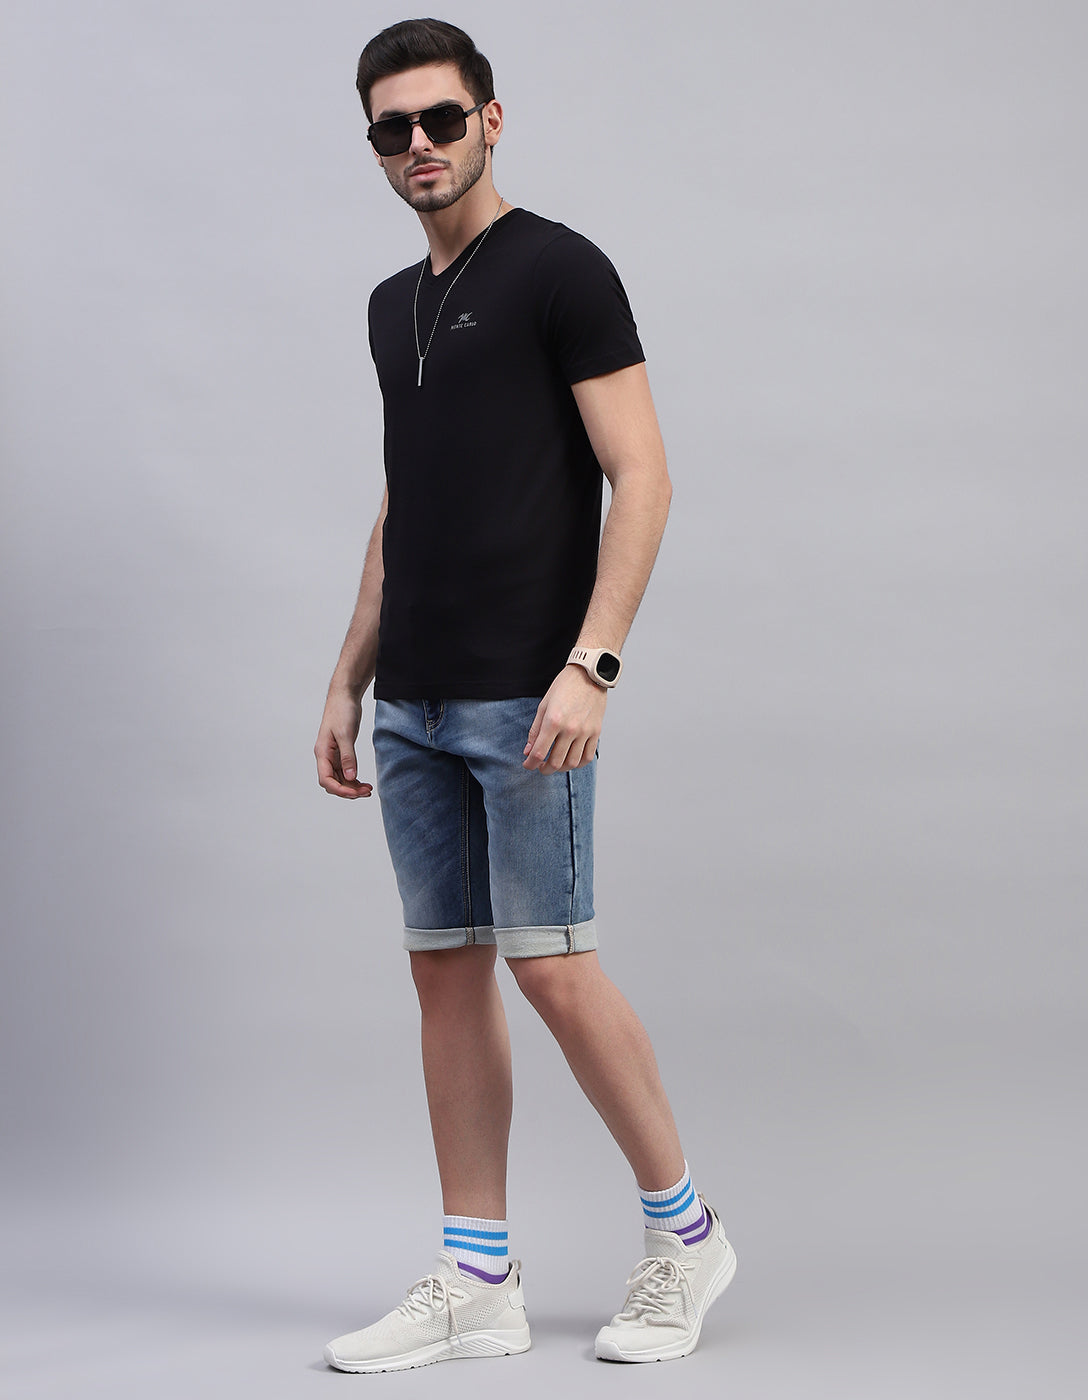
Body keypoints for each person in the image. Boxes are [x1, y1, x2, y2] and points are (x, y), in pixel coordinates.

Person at [313, 17, 735, 1372]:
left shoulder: (562, 270)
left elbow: (643, 476)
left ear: (491, 121)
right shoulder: (391, 305)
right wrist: (349, 679)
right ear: (375, 145)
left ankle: (686, 1235)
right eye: (393, 129)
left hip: (527, 695)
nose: (419, 146)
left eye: (441, 119)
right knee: (445, 974)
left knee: (551, 964)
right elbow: (405, 507)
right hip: (415, 704)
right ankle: (477, 1275)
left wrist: (591, 666)